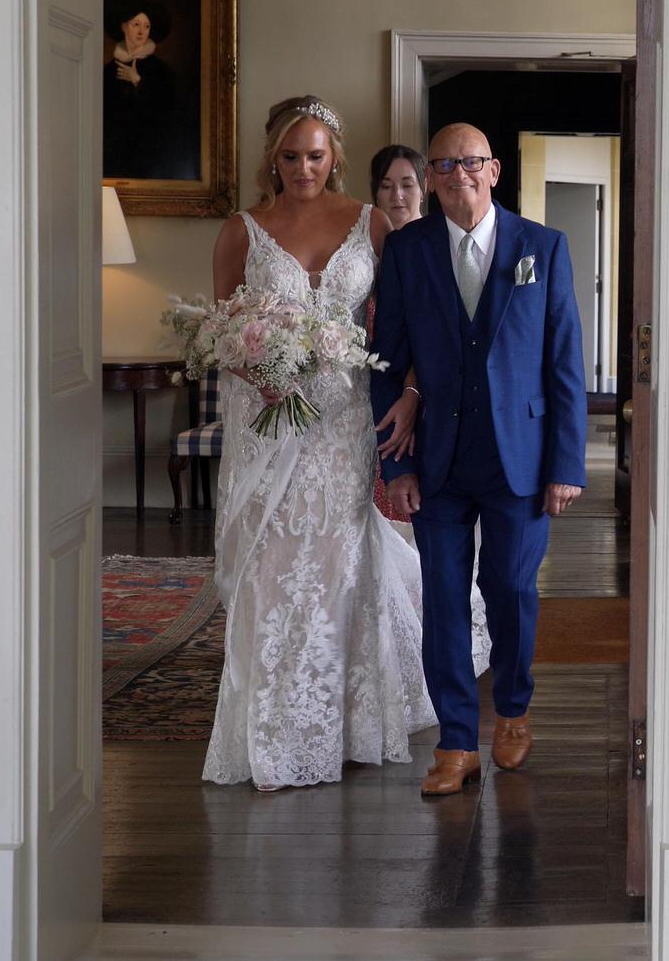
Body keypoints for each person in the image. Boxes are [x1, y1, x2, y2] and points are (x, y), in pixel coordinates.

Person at [201, 96, 488, 791]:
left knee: (337, 564)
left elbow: (416, 321)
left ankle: (345, 723)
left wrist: (414, 395)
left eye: (316, 154)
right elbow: (219, 330)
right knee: (271, 566)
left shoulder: (374, 222)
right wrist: (260, 370)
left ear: (335, 156)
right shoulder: (243, 230)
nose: (304, 167)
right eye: (292, 155)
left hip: (344, 421)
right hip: (269, 421)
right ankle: (270, 733)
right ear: (274, 156)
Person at [370, 123, 588, 796]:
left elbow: (564, 364)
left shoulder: (542, 248)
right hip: (434, 455)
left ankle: (514, 712)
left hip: (519, 457)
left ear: (493, 170)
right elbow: (386, 359)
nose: (457, 173)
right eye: (444, 165)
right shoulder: (408, 250)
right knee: (442, 599)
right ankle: (457, 741)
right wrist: (394, 466)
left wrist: (566, 464)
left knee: (512, 591)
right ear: (431, 178)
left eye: (469, 162)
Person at [102, 0, 192, 180]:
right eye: (136, 24)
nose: (141, 31)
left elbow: (168, 112)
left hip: (149, 156)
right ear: (123, 26)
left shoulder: (161, 70)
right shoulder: (108, 71)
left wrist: (138, 82)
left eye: (146, 26)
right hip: (115, 157)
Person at [370, 143, 431, 231]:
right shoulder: (363, 240)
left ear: (424, 188)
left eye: (407, 185)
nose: (397, 196)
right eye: (387, 186)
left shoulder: (441, 238)